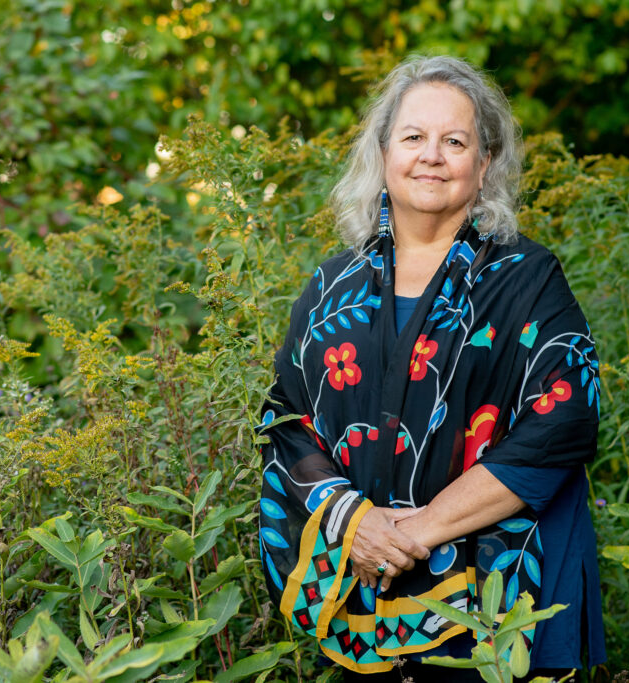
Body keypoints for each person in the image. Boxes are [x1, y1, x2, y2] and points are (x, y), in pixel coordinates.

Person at [258, 55, 604, 681]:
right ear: (384, 151)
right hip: (363, 587)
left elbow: (565, 421)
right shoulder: (332, 285)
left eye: (455, 141)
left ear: (484, 164)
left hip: (499, 600)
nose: (432, 156)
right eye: (414, 137)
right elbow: (286, 419)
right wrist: (353, 522)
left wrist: (411, 534)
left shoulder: (527, 278)